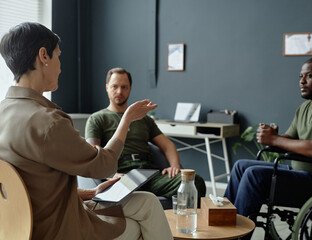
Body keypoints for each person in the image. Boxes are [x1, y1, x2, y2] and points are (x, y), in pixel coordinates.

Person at [0, 22, 173, 240]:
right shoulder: (48, 122)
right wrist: (127, 118)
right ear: (43, 56)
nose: (60, 67)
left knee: (147, 201)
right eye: (58, 56)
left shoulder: (4, 112)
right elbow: (105, 165)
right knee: (140, 224)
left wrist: (90, 193)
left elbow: (34, 187)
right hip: (59, 228)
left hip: (22, 224)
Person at [225, 57, 312, 224]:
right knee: (240, 166)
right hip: (299, 173)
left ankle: (238, 234)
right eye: (300, 76)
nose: (301, 81)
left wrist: (275, 140)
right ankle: (223, 223)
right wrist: (272, 138)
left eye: (308, 76)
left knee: (254, 175)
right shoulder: (304, 108)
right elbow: (288, 139)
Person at [85, 68, 206, 200]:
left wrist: (175, 167)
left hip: (148, 174)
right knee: (130, 194)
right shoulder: (97, 118)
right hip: (121, 175)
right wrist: (111, 175)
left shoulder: (144, 119)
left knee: (194, 182)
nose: (119, 91)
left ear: (130, 89)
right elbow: (93, 154)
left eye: (124, 87)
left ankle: (183, 220)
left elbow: (167, 145)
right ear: (107, 87)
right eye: (115, 86)